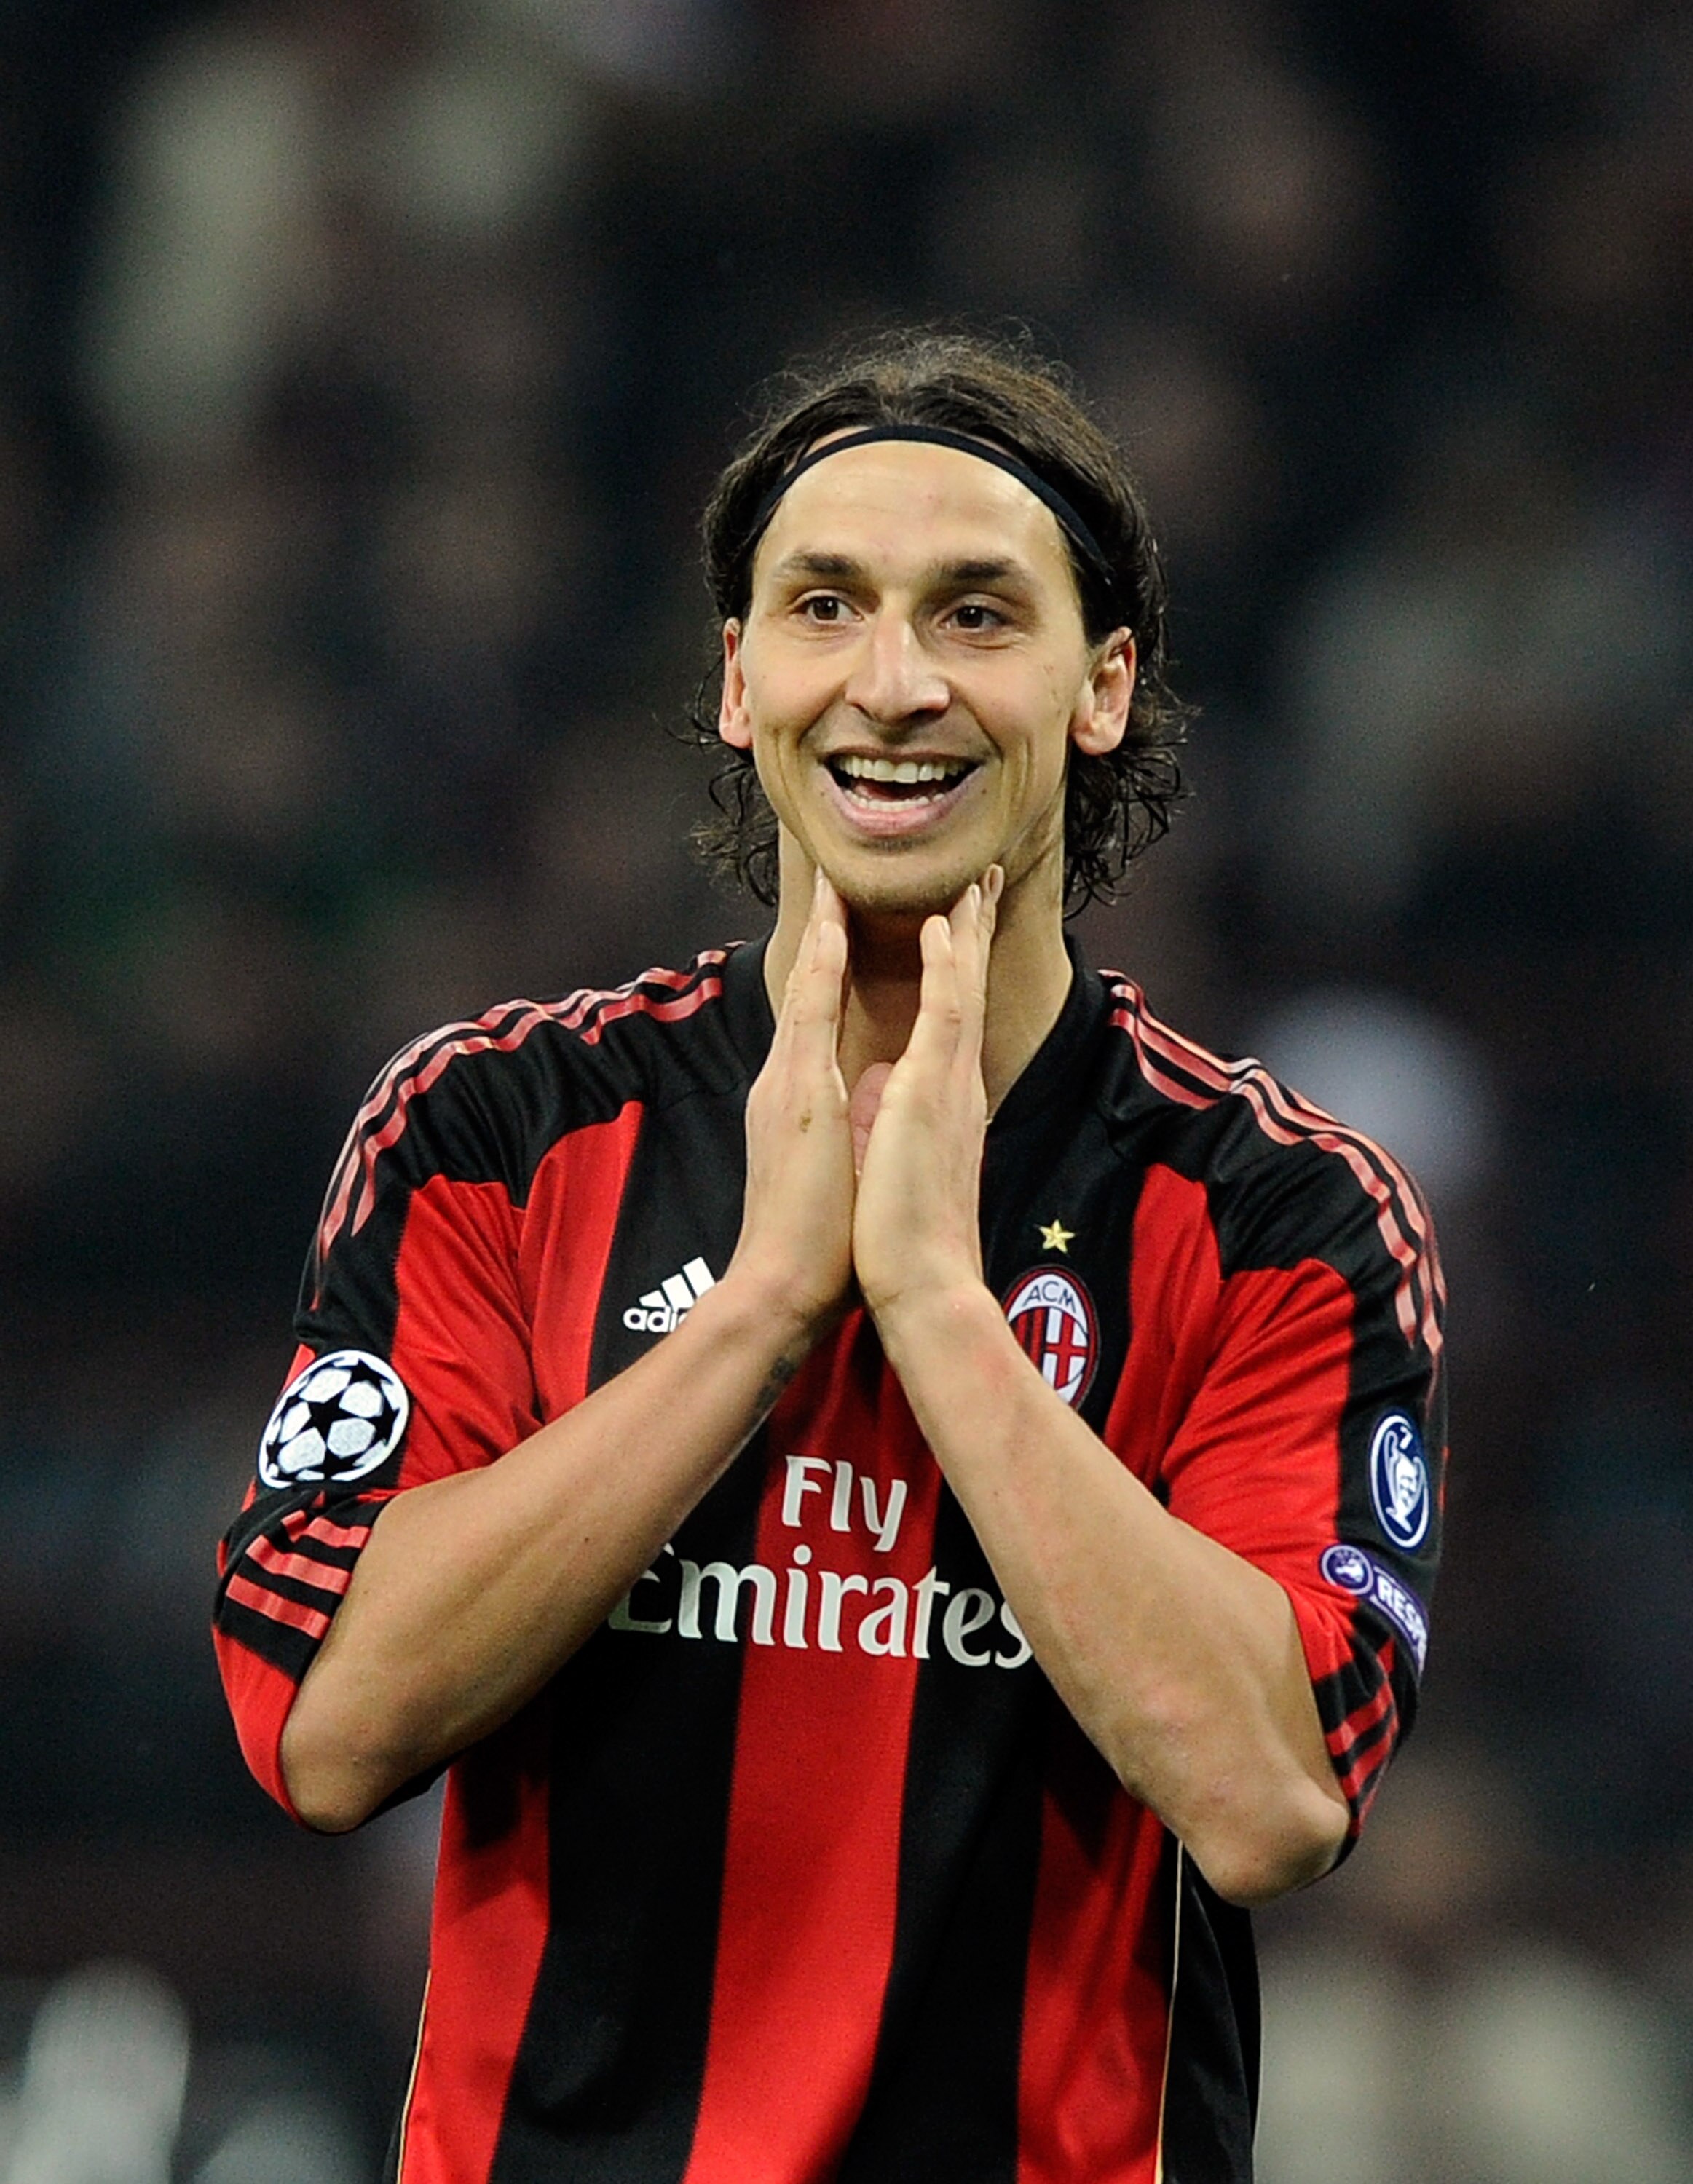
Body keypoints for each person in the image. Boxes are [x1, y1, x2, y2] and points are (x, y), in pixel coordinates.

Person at [216, 332, 1445, 2183]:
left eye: (974, 617)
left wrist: (939, 1308)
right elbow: (326, 1723)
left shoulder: (1278, 1212)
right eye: (823, 608)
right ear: (735, 678)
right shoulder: (493, 1128)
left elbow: (1267, 1800)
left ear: (1100, 685)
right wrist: (765, 1305)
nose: (892, 686)